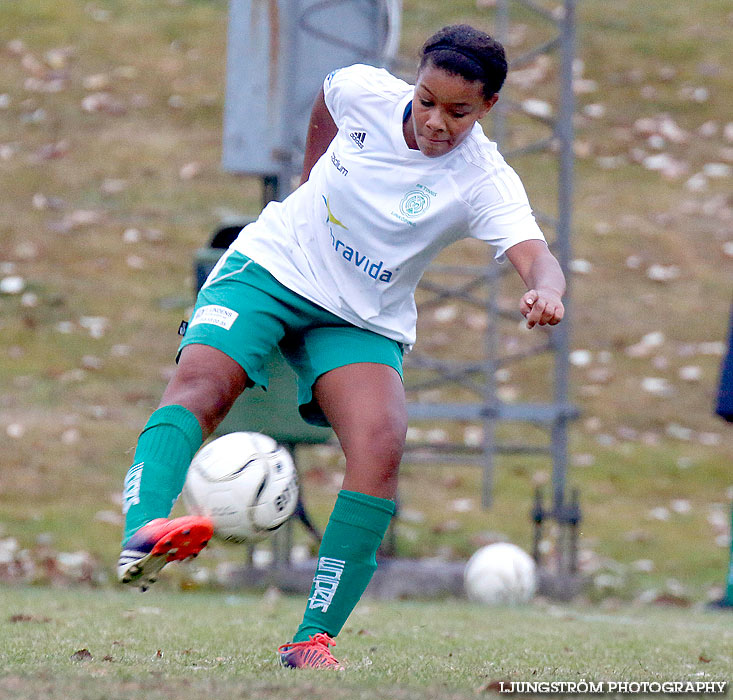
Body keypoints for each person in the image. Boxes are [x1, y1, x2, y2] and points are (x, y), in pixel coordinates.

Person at [117, 24, 566, 668]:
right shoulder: (364, 91)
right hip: (275, 265)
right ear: (413, 83)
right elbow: (326, 100)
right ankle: (146, 529)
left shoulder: (482, 180)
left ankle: (310, 640)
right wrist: (307, 179)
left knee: (380, 445)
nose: (436, 121)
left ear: (488, 107)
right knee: (203, 384)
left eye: (459, 111)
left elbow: (536, 255)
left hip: (361, 315)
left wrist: (544, 292)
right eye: (427, 100)